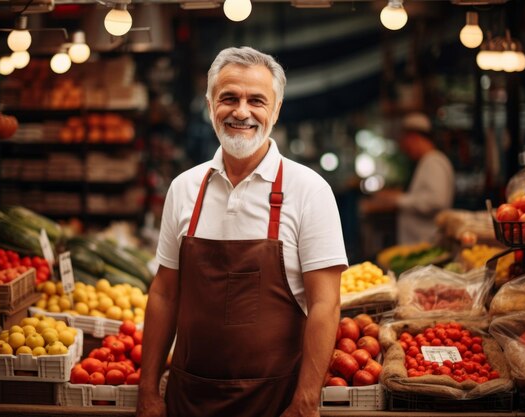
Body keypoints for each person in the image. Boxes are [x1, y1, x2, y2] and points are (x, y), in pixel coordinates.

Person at [136, 46, 348, 417]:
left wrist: (304, 403)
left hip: (275, 402)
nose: (241, 112)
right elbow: (165, 294)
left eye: (257, 100)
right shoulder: (184, 188)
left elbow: (325, 305)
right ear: (209, 104)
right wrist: (148, 390)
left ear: (276, 109)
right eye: (228, 98)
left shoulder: (310, 191)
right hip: (188, 399)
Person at [363, 112, 455, 244]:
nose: (406, 149)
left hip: (428, 243)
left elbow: (436, 200)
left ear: (414, 137)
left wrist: (398, 200)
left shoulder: (433, 162)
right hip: (421, 244)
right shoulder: (427, 161)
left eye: (406, 142)